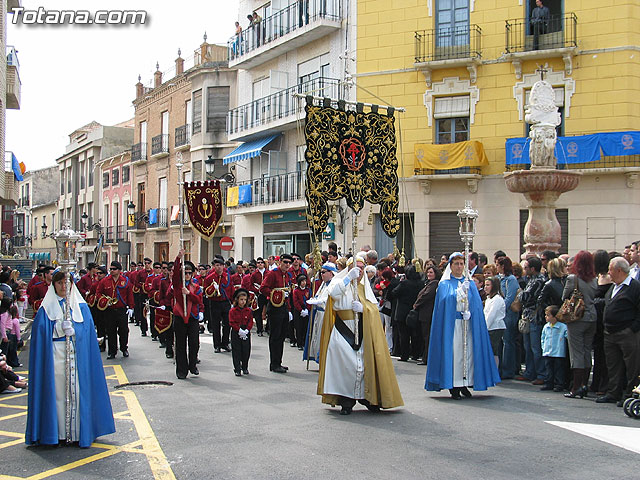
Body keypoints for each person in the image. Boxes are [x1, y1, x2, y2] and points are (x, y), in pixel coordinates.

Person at [26, 270, 115, 447]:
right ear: (54, 285)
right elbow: (40, 334)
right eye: (59, 283)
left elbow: (88, 332)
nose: (63, 286)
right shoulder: (46, 308)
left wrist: (75, 331)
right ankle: (56, 432)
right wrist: (59, 329)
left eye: (67, 283)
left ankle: (77, 432)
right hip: (55, 356)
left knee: (77, 392)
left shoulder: (81, 307)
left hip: (76, 356)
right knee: (57, 394)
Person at [317, 255, 403, 414]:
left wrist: (364, 309)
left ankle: (366, 396)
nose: (359, 270)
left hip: (362, 329)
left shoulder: (364, 288)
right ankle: (346, 400)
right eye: (356, 267)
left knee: (363, 364)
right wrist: (348, 279)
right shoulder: (339, 282)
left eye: (362, 268)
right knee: (345, 365)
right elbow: (334, 294)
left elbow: (374, 310)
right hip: (343, 328)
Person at [425, 253, 500, 399]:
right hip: (452, 325)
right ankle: (454, 385)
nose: (459, 267)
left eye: (461, 264)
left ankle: (465, 382)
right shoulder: (444, 284)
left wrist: (471, 313)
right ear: (450, 266)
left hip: (468, 323)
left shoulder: (470, 283)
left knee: (468, 354)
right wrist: (459, 293)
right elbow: (445, 302)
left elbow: (477, 305)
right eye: (456, 264)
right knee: (455, 354)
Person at [596, 257, 640, 405]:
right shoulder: (613, 287)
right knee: (613, 365)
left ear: (619, 270)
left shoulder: (634, 287)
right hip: (610, 333)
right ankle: (613, 393)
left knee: (632, 366)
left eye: (610, 269)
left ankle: (630, 394)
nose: (609, 273)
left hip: (627, 333)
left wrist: (632, 329)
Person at [562, 251, 598, 398]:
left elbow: (564, 297)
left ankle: (576, 387)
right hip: (592, 317)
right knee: (586, 350)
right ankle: (584, 384)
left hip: (577, 318)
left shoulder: (573, 279)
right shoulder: (594, 280)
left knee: (576, 351)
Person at [172, 253, 203, 379]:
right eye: (185, 273)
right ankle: (181, 370)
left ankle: (193, 365)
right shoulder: (178, 285)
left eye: (190, 273)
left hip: (192, 318)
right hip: (180, 317)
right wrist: (179, 258)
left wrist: (189, 293)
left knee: (194, 343)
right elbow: (174, 273)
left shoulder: (195, 287)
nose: (187, 275)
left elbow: (198, 300)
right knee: (180, 344)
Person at [260, 254, 294, 373]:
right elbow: (263, 288)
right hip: (274, 308)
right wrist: (276, 294)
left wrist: (289, 309)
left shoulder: (288, 275)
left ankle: (278, 362)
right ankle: (274, 363)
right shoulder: (273, 273)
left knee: (281, 336)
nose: (287, 264)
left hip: (284, 308)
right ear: (280, 262)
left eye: (289, 263)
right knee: (275, 336)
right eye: (285, 262)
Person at [96, 261, 134, 359]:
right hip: (109, 310)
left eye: (114, 269)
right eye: (111, 269)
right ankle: (112, 351)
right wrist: (105, 300)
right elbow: (98, 293)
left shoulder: (125, 280)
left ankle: (124, 348)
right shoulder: (105, 281)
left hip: (121, 309)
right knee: (110, 331)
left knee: (124, 330)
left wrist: (131, 307)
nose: (112, 271)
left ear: (119, 270)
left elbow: (129, 294)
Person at [518, 257, 546, 385]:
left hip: (535, 317)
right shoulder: (530, 280)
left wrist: (521, 294)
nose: (525, 270)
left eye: (526, 267)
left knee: (535, 347)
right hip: (527, 316)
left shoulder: (539, 281)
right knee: (527, 346)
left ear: (533, 269)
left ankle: (541, 373)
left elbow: (525, 296)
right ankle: (530, 372)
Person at [391, 265, 425, 362]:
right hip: (415, 311)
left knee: (404, 335)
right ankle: (415, 354)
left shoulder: (404, 283)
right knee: (415, 334)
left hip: (402, 312)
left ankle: (404, 355)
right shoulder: (421, 283)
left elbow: (394, 293)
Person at [304, 262, 336, 362]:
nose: (322, 274)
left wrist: (320, 301)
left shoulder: (334, 284)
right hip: (318, 313)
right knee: (316, 337)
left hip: (326, 313)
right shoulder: (323, 284)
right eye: (321, 272)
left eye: (324, 272)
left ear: (331, 273)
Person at [203, 258, 234, 353]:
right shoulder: (209, 278)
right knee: (215, 325)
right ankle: (217, 345)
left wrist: (233, 302)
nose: (219, 267)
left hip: (225, 302)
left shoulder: (227, 276)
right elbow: (205, 291)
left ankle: (225, 343)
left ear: (223, 266)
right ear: (214, 267)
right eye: (217, 265)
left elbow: (231, 289)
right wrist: (212, 291)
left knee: (227, 324)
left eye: (221, 265)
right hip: (214, 302)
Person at [496, 256, 519, 379]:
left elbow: (510, 297)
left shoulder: (511, 280)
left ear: (503, 266)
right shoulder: (499, 279)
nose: (496, 267)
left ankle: (508, 370)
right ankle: (500, 368)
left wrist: (500, 309)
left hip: (508, 313)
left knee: (508, 341)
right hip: (500, 314)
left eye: (498, 265)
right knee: (501, 342)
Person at [414, 265, 441, 365]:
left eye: (431, 272)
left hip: (428, 314)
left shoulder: (434, 283)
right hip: (425, 313)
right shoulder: (429, 283)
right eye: (428, 272)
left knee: (427, 337)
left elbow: (426, 295)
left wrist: (417, 303)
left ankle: (427, 358)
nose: (429, 274)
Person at [541, 305, 568, 392]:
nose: (546, 317)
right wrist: (543, 347)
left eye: (548, 315)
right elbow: (543, 338)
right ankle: (549, 383)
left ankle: (559, 384)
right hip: (548, 351)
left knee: (558, 369)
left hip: (558, 352)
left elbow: (567, 336)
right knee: (549, 369)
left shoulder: (562, 327)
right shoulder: (546, 326)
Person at [229, 288, 253, 376]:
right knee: (236, 351)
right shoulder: (233, 310)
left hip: (245, 331)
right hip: (236, 331)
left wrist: (247, 330)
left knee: (246, 350)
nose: (243, 302)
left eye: (245, 300)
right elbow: (232, 322)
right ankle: (237, 368)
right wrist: (239, 330)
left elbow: (250, 321)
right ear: (237, 300)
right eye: (241, 300)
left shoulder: (248, 310)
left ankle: (245, 366)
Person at [483, 276, 506, 369]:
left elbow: (491, 316)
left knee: (493, 350)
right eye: (485, 285)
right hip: (490, 327)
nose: (485, 287)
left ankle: (494, 371)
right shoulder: (489, 299)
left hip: (495, 327)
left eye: (488, 285)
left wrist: (485, 328)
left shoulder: (497, 299)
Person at [292, 274, 310, 351]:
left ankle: (304, 343)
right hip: (298, 311)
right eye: (302, 281)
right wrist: (301, 310)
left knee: (305, 327)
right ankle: (299, 343)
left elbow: (309, 299)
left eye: (305, 281)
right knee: (299, 327)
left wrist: (307, 309)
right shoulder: (296, 291)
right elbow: (295, 302)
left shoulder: (308, 290)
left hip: (306, 310)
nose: (304, 283)